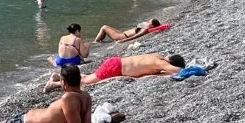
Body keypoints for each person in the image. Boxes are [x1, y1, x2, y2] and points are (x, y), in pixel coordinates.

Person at [44, 54, 186, 91]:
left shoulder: (157, 56)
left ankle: (59, 76)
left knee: (90, 78)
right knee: (87, 82)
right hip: (115, 68)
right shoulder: (161, 63)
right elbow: (178, 71)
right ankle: (56, 83)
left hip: (116, 63)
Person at [93, 18, 161, 43]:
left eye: (149, 22)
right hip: (122, 34)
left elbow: (136, 36)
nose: (147, 22)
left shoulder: (145, 29)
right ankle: (100, 41)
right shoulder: (145, 28)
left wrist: (123, 41)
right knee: (106, 26)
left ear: (152, 25)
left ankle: (96, 42)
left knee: (104, 27)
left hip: (120, 37)